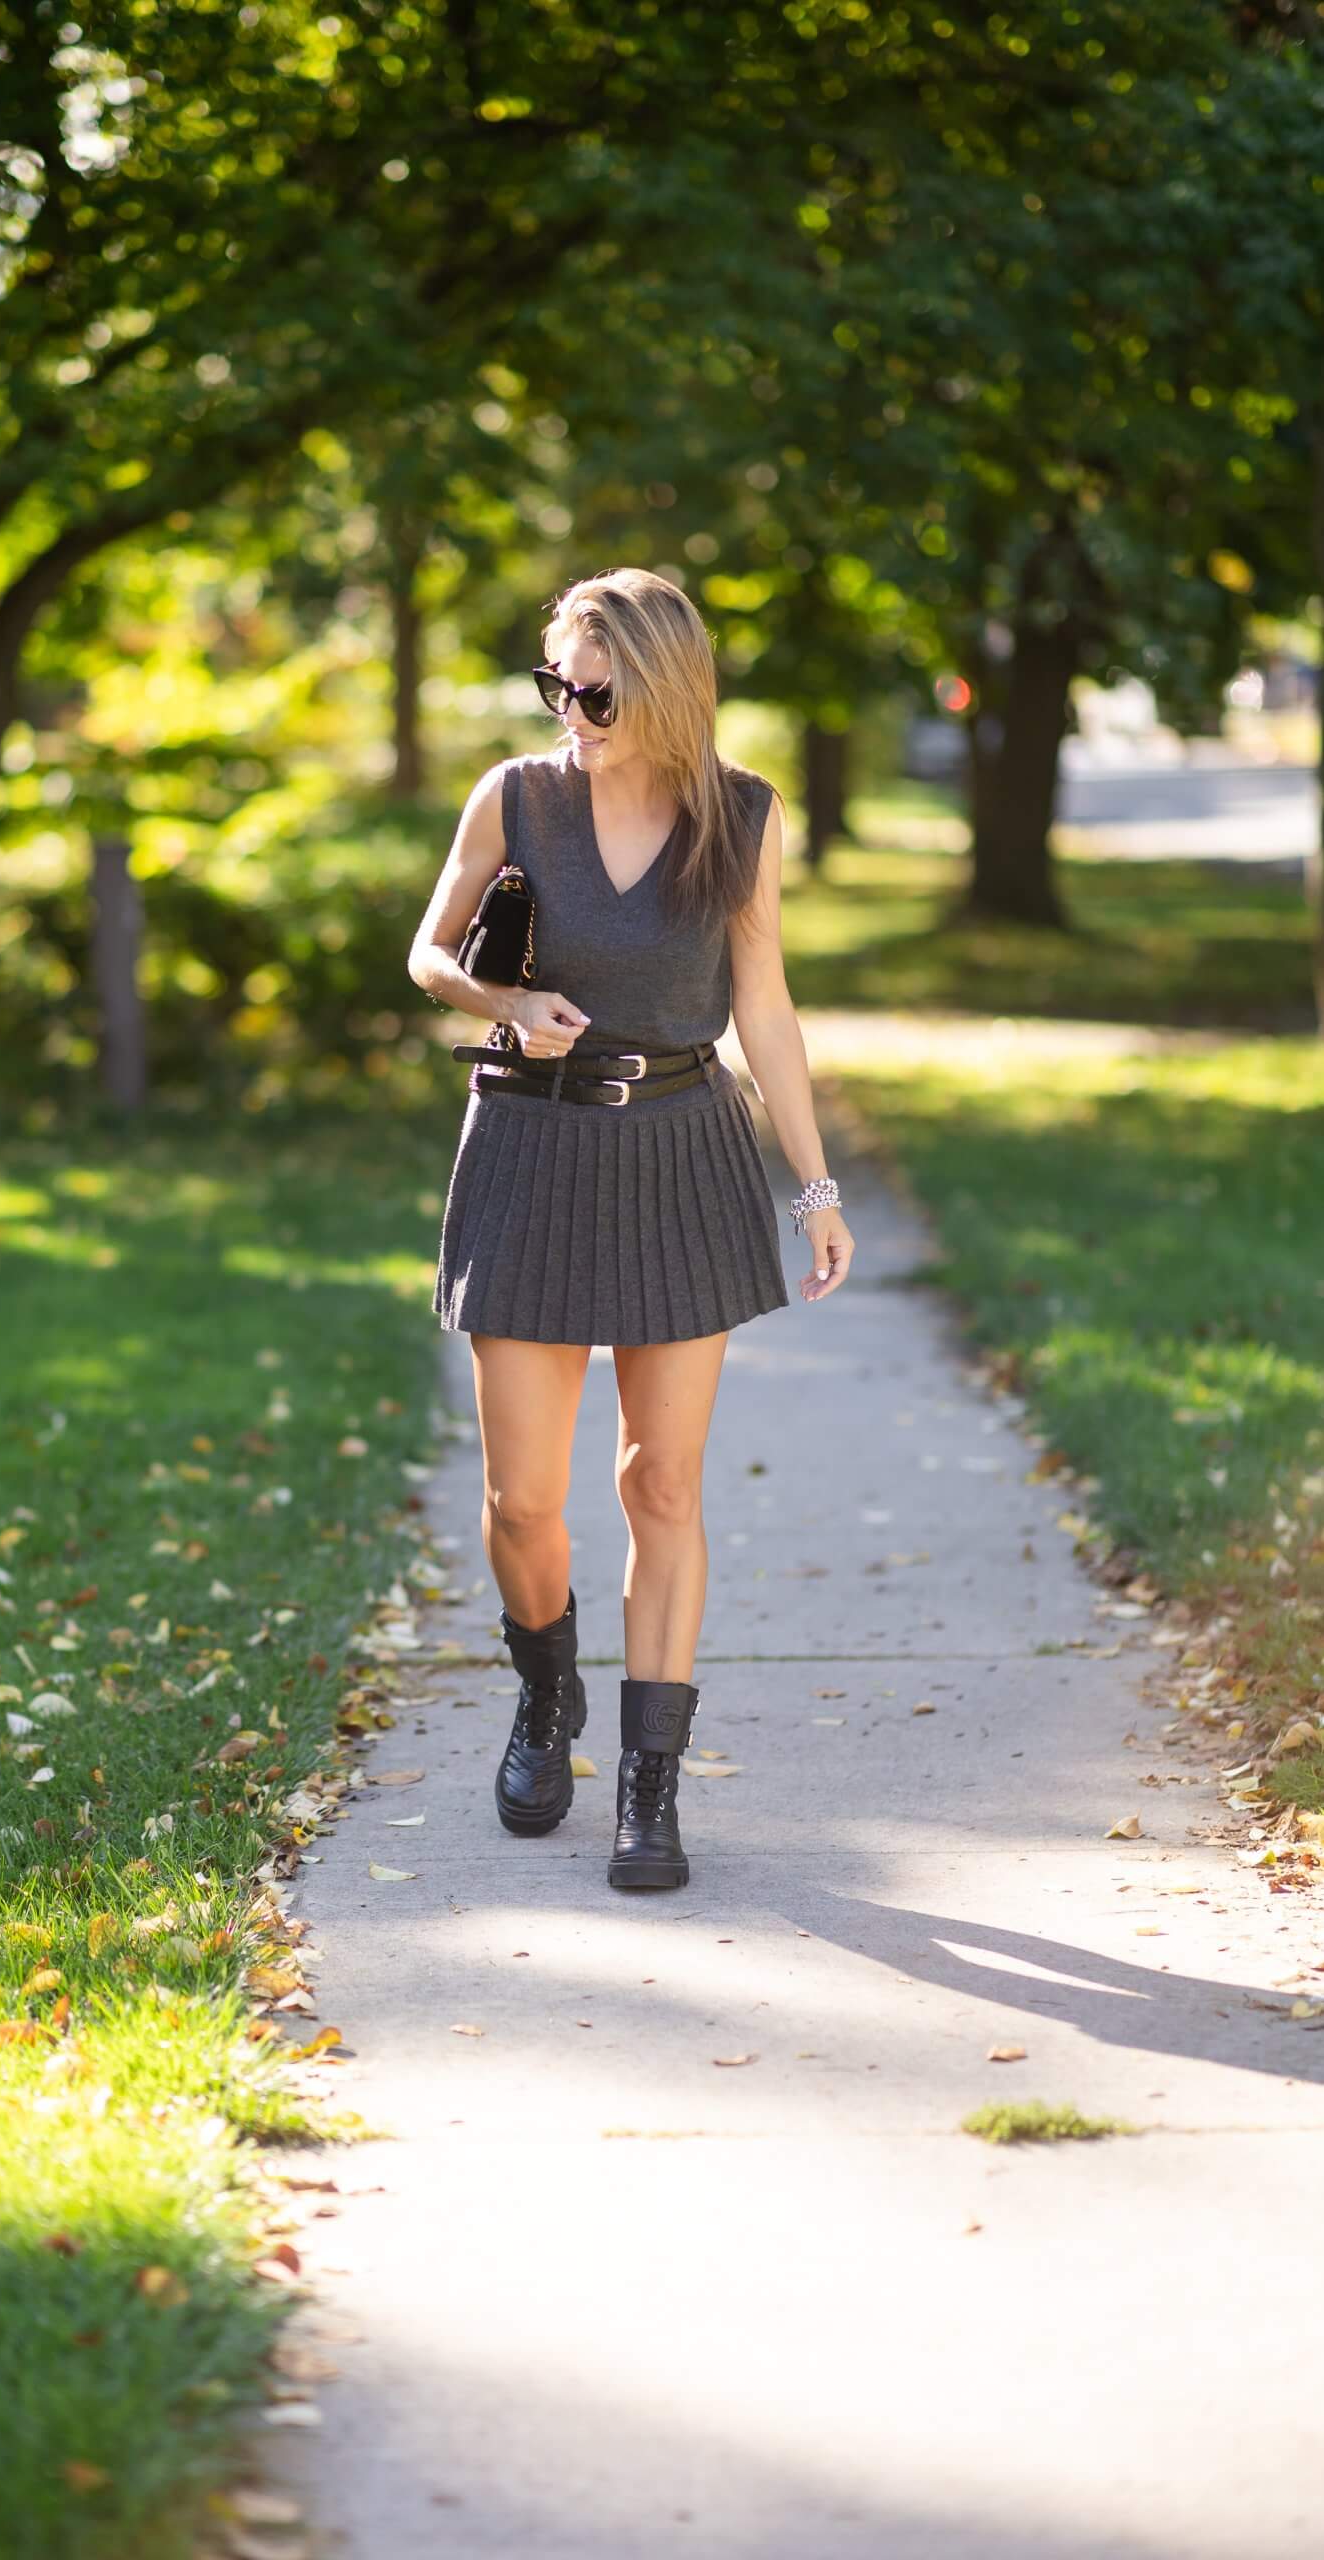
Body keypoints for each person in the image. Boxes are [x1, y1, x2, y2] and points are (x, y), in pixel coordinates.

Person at [406, 568, 852, 1892]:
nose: (570, 709)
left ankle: (649, 1798)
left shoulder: (742, 816)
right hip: (530, 1153)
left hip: (680, 1159)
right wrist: (499, 997)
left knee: (660, 1485)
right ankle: (548, 1700)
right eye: (555, 684)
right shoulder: (516, 796)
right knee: (522, 1502)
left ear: (658, 683)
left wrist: (816, 1189)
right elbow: (427, 957)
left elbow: (763, 1008)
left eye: (592, 689)